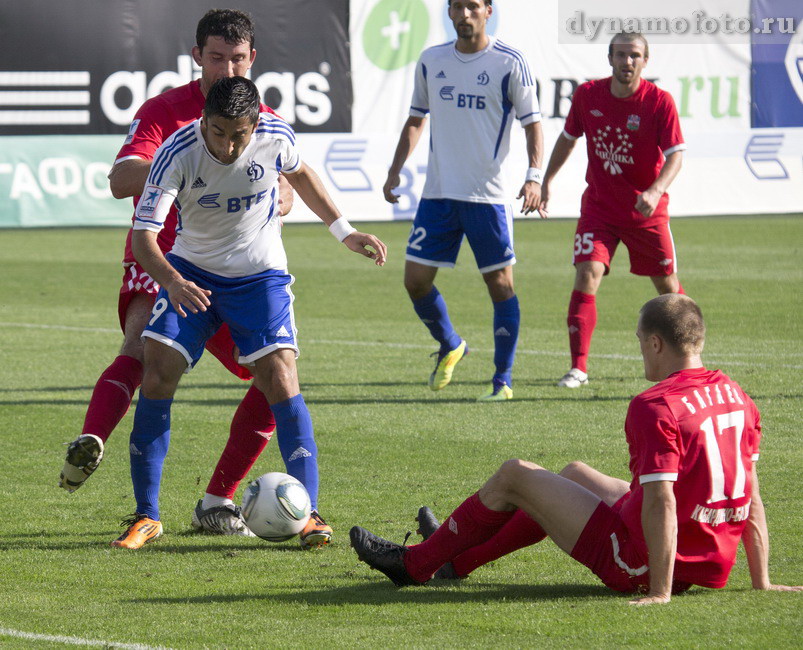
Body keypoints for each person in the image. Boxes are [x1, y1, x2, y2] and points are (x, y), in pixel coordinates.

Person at [57, 9, 324, 545]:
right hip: (165, 254)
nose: (227, 69)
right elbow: (120, 178)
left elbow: (287, 184)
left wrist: (272, 188)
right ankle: (97, 443)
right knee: (144, 350)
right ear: (197, 56)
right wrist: (179, 160)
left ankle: (218, 498)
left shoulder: (255, 115)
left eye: (238, 59)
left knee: (271, 379)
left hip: (239, 267)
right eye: (217, 58)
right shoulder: (167, 113)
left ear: (253, 60)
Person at [351, 294, 802, 603]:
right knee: (572, 473)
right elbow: (751, 493)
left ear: (656, 343)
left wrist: (659, 591)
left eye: (641, 343)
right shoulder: (736, 395)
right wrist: (761, 581)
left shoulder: (657, 405)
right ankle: (456, 561)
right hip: (697, 552)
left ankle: (414, 565)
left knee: (514, 474)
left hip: (644, 563)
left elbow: (663, 501)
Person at [111, 76, 386, 549]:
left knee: (281, 377)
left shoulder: (276, 135)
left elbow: (300, 174)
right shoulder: (177, 151)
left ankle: (311, 516)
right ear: (204, 121)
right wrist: (174, 282)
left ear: (255, 123)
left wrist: (344, 231)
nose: (228, 144)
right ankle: (146, 515)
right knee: (157, 371)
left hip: (260, 278)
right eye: (218, 132)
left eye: (238, 134)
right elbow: (144, 238)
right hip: (190, 273)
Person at [383, 0, 543, 401]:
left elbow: (533, 124)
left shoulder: (509, 62)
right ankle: (451, 343)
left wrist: (534, 176)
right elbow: (416, 118)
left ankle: (502, 380)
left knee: (501, 285)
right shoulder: (431, 60)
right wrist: (394, 169)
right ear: (450, 13)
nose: (465, 14)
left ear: (488, 11)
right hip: (438, 194)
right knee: (415, 281)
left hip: (486, 198)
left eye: (473, 6)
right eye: (458, 6)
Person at [538, 32, 687, 389]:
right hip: (600, 210)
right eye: (621, 55)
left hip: (645, 212)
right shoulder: (588, 95)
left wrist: (655, 190)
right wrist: (547, 181)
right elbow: (568, 138)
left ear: (645, 61)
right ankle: (578, 368)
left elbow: (676, 155)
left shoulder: (659, 102)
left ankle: (687, 362)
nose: (627, 62)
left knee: (667, 290)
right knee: (587, 272)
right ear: (610, 58)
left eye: (635, 55)